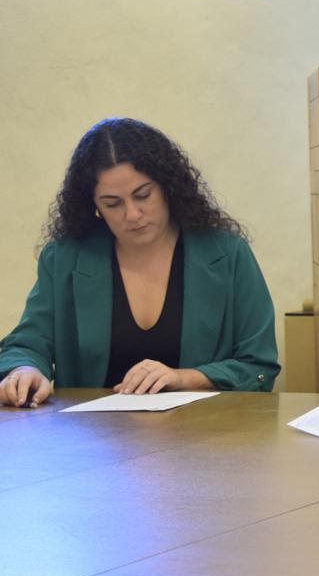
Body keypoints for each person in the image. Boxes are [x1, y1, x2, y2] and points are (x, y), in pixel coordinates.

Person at [0, 118, 279, 408]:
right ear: (93, 205)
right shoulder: (64, 258)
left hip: (205, 436)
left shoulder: (226, 253)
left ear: (168, 186)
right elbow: (28, 343)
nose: (132, 214)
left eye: (143, 195)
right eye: (112, 203)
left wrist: (185, 378)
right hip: (91, 443)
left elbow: (259, 365)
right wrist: (24, 370)